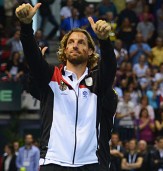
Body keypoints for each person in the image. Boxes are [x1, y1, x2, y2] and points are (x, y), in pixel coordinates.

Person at [15, 2, 117, 170]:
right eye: (71, 42)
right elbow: (33, 58)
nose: (75, 45)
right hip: (53, 161)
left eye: (81, 42)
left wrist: (105, 41)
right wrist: (26, 26)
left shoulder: (98, 81)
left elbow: (110, 67)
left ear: (91, 51)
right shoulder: (51, 78)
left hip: (90, 163)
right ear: (64, 48)